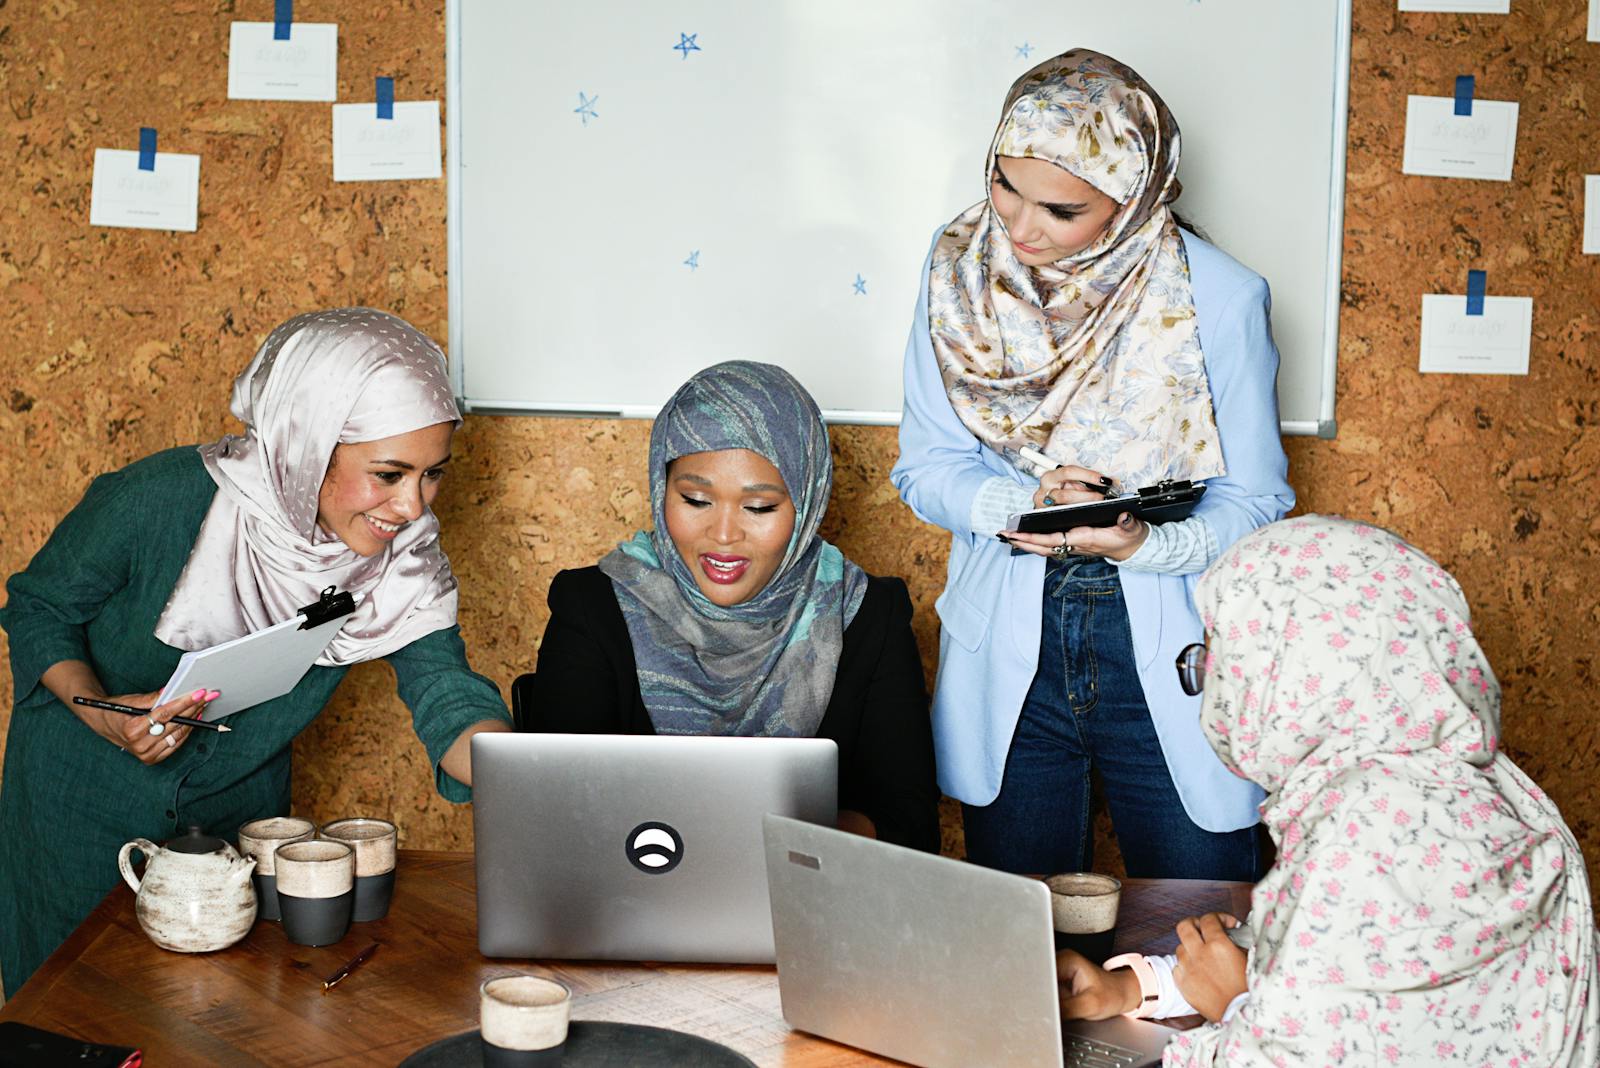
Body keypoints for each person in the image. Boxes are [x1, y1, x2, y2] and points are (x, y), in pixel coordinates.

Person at [0, 308, 512, 997]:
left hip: (238, 821)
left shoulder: (403, 558)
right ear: (306, 443)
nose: (414, 507)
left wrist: (521, 778)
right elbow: (39, 607)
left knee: (214, 1017)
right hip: (79, 806)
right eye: (388, 474)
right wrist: (98, 712)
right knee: (72, 1017)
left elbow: (445, 690)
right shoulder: (157, 500)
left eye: (432, 475)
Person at [890, 48, 1293, 879]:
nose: (1018, 226)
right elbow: (924, 467)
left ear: (1133, 198)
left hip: (1171, 637)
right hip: (1010, 636)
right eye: (1004, 184)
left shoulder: (1220, 296)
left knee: (1200, 922)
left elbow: (1256, 502)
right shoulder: (958, 268)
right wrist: (1021, 501)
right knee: (1023, 939)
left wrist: (1142, 543)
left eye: (1061, 208)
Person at [1056, 515, 1599, 1066]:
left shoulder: (1373, 824)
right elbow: (1338, 976)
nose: (1215, 686)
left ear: (1292, 667)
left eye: (1225, 656)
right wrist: (1130, 988)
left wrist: (1237, 1005)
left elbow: (1293, 1043)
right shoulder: (1455, 786)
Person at [522, 360, 939, 851]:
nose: (723, 536)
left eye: (759, 508)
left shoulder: (867, 614)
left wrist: (782, 842)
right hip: (632, 905)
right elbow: (554, 812)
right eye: (696, 500)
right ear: (662, 492)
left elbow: (909, 825)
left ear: (807, 503)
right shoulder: (595, 605)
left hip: (807, 907)